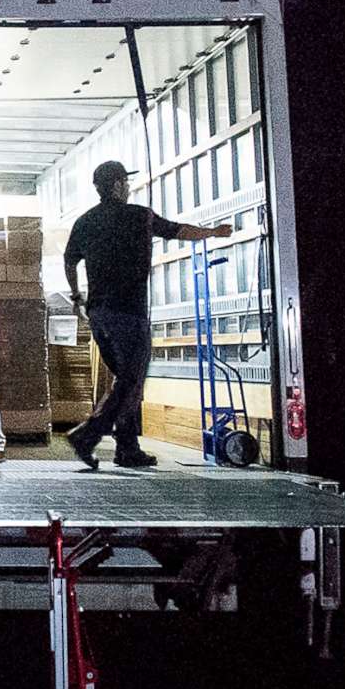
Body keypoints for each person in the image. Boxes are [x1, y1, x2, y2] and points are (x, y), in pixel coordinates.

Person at [64, 160, 231, 469]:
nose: (128, 187)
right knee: (131, 381)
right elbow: (178, 231)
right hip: (128, 312)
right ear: (116, 185)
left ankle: (127, 449)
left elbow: (69, 258)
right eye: (125, 182)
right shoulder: (139, 216)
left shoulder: (85, 221)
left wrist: (76, 296)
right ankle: (88, 435)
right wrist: (214, 232)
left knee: (125, 381)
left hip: (99, 314)